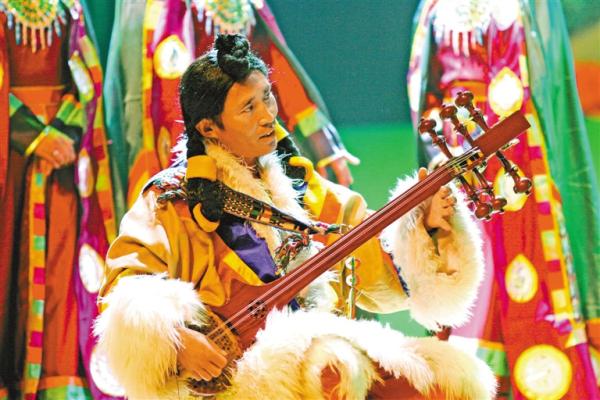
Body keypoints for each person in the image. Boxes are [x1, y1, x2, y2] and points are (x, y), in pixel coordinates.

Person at [95, 34, 495, 399]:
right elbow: (127, 290)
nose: (267, 116)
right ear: (209, 127)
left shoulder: (300, 185)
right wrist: (177, 342)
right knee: (334, 370)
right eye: (248, 108)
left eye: (267, 98)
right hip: (234, 377)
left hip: (318, 356)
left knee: (447, 382)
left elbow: (380, 275)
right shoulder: (172, 198)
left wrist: (425, 227)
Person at [406, 0, 600, 397]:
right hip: (454, 158)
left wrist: (489, 150)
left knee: (518, 277)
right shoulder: (434, 7)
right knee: (465, 280)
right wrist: (442, 149)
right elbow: (430, 90)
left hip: (512, 157)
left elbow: (537, 85)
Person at [104, 0, 358, 224]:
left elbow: (274, 65)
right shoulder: (166, 8)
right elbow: (167, 94)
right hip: (202, 148)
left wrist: (320, 140)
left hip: (248, 144)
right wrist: (189, 162)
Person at [0, 0, 117, 398]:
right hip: (9, 156)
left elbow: (85, 80)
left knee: (62, 267)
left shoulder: (69, 5)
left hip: (63, 159)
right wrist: (33, 136)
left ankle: (58, 381)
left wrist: (64, 132)